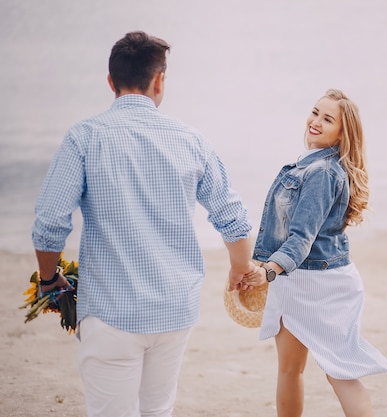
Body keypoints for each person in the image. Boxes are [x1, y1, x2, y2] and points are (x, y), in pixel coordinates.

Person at [31, 31, 258, 417]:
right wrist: (241, 268)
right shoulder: (190, 139)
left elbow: (50, 223)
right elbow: (232, 219)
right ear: (158, 80)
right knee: (158, 410)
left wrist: (50, 279)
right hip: (174, 311)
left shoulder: (84, 138)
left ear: (110, 82)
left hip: (111, 312)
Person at [243, 89, 387, 417]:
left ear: (342, 133)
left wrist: (267, 271)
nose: (316, 122)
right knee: (289, 370)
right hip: (296, 279)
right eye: (315, 113)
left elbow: (301, 240)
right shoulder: (308, 166)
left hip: (320, 284)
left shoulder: (322, 173)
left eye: (328, 119)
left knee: (340, 373)